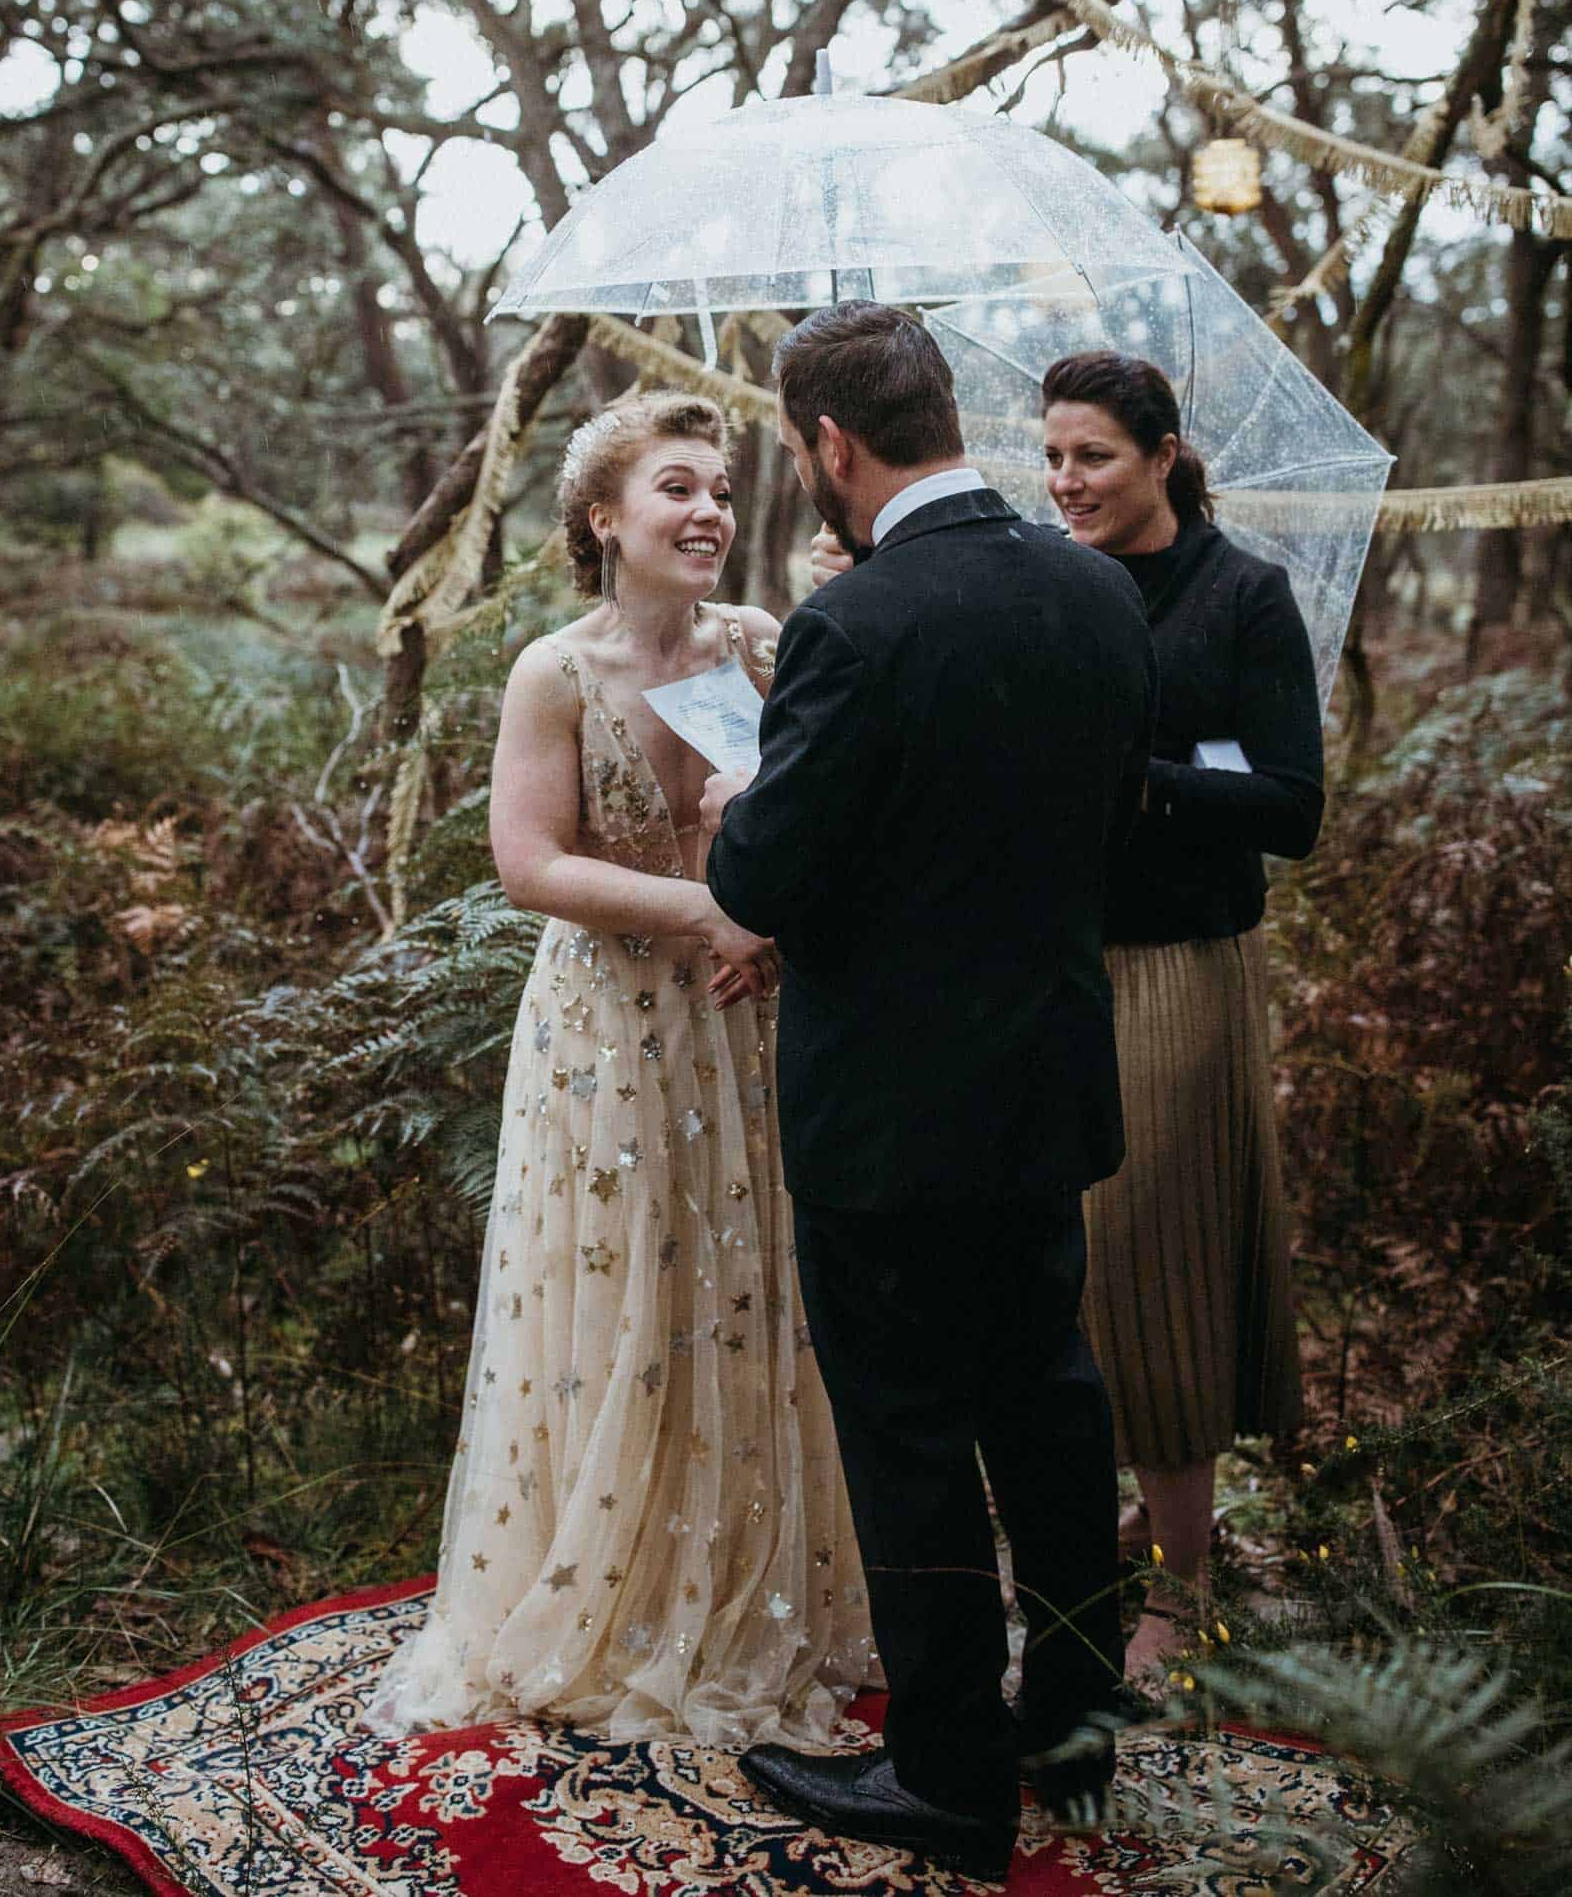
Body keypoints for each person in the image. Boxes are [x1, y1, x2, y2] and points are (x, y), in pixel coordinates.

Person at [703, 304, 1158, 1881]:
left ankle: (952, 1780)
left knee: (907, 1439)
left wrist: (752, 787)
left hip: (889, 1113)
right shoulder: (1099, 593)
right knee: (1047, 1410)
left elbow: (763, 875)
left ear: (831, 445)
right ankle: (1078, 1730)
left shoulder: (858, 626)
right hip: (1043, 1082)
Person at [371, 390, 876, 1750]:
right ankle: (617, 1588)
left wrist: (766, 899)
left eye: (719, 487)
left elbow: (830, 808)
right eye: (676, 487)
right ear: (604, 518)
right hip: (610, 1029)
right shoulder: (557, 670)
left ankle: (755, 1592)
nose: (710, 509)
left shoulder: (764, 646)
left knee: (751, 1283)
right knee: (625, 1282)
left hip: (749, 1010)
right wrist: (703, 911)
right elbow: (529, 864)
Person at [1039, 350, 1323, 1686]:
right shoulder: (1054, 585)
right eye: (1050, 457)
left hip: (1181, 971)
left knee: (1154, 1260)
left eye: (1091, 455)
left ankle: (1185, 1582)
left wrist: (1140, 780)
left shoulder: (1243, 595)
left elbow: (1294, 805)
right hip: (1049, 964)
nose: (1066, 481)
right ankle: (1116, 1523)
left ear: (1161, 455)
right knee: (1069, 1266)